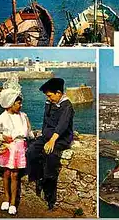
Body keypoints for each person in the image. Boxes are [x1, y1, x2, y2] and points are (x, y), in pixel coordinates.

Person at [0, 75, 34, 215]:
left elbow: (29, 132)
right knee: (6, 173)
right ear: (11, 103)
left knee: (15, 175)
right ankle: (6, 198)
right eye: (18, 103)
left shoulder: (23, 116)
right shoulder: (2, 118)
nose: (21, 105)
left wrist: (34, 139)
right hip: (8, 148)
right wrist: (1, 136)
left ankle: (13, 202)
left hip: (20, 149)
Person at [26, 78, 75, 210]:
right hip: (46, 137)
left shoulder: (67, 106)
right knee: (31, 151)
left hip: (60, 138)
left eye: (50, 95)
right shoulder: (49, 103)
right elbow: (45, 121)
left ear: (58, 93)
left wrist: (52, 140)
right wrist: (43, 137)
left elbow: (63, 125)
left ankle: (50, 195)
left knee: (51, 157)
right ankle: (38, 179)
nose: (49, 98)